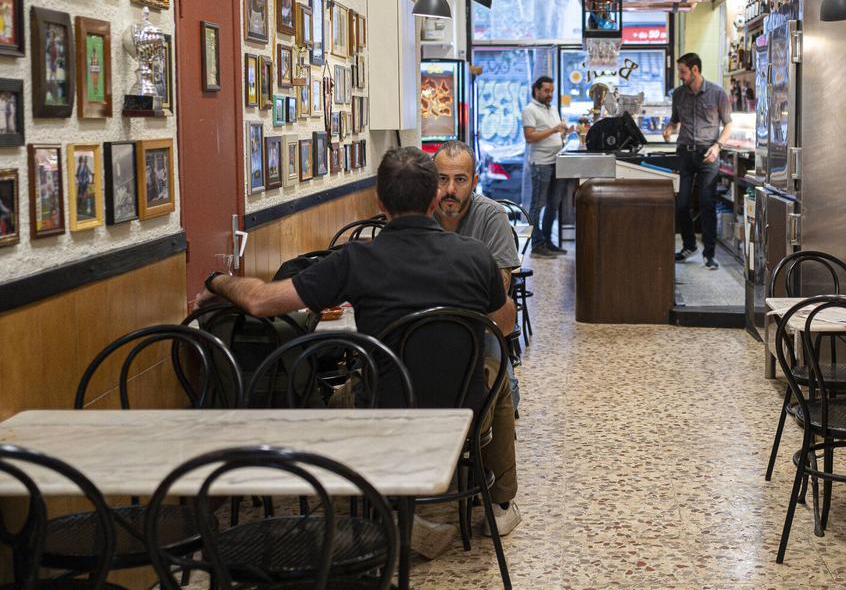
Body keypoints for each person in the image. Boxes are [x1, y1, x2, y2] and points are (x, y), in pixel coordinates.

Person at [194, 147, 522, 556]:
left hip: (383, 410)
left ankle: (367, 499)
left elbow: (261, 301)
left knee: (332, 384)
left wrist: (216, 281)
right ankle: (501, 499)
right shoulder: (475, 257)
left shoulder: (356, 259)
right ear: (434, 198)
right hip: (464, 410)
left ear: (379, 202)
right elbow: (504, 325)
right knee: (499, 376)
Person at [433, 140, 521, 408]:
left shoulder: (491, 216)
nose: (450, 189)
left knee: (501, 399)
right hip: (430, 329)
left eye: (459, 180)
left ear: (474, 181)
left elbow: (500, 288)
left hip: (481, 327)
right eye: (442, 179)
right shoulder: (420, 215)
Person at [661, 52, 733, 271]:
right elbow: (675, 120)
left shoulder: (717, 93)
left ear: (695, 70)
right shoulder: (679, 95)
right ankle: (689, 245)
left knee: (706, 203)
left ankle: (709, 254)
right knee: (681, 204)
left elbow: (728, 125)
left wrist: (717, 146)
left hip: (708, 154)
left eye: (683, 71)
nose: (680, 76)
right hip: (684, 153)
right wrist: (669, 128)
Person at [522, 75, 569, 259]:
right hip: (541, 164)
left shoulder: (552, 109)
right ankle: (536, 245)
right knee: (537, 205)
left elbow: (555, 133)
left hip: (557, 162)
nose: (550, 94)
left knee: (553, 204)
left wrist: (564, 133)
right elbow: (530, 137)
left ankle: (548, 241)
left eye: (552, 91)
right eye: (546, 91)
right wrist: (554, 130)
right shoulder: (530, 110)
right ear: (537, 90)